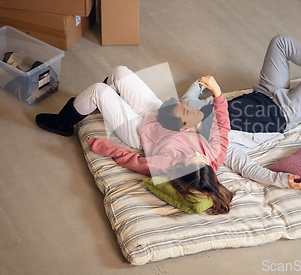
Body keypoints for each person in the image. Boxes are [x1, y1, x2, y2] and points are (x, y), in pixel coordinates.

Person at [177, 35, 301, 190]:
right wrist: (283, 180)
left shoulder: (191, 111)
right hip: (287, 112)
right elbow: (249, 169)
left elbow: (190, 94)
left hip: (266, 90)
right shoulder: (222, 147)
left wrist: (202, 83)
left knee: (280, 42)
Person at [36, 67, 233, 215]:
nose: (196, 154)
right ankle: (103, 101)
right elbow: (223, 125)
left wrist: (101, 145)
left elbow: (131, 160)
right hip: (162, 112)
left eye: (191, 159)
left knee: (98, 90)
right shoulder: (215, 154)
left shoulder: (168, 166)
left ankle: (61, 123)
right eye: (201, 158)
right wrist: (218, 93)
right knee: (120, 72)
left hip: (138, 129)